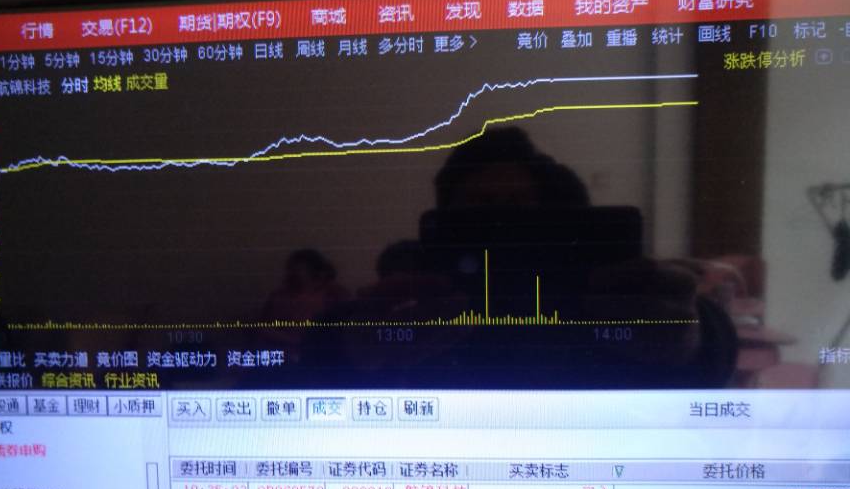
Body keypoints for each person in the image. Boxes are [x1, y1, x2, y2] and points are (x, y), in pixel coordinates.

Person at [302, 127, 737, 388]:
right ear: (444, 219)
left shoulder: (602, 289)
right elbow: (317, 353)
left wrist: (700, 336)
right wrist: (350, 346)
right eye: (481, 208)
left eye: (519, 207)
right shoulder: (415, 289)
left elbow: (710, 359)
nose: (502, 223)